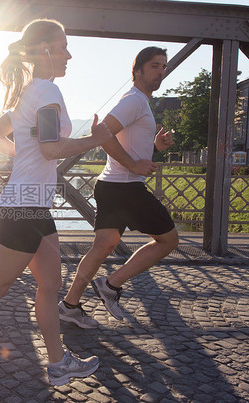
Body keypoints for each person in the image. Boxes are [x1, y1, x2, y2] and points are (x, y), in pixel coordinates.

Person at [0, 19, 155, 396]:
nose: (69, 54)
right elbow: (50, 149)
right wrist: (94, 139)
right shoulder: (46, 91)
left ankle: (58, 362)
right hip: (24, 209)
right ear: (45, 50)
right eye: (63, 46)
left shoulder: (26, 91)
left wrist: (23, 154)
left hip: (32, 207)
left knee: (50, 285)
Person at [58, 46, 178, 329]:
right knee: (169, 240)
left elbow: (127, 142)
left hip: (111, 185)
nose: (160, 71)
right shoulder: (134, 100)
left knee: (102, 248)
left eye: (163, 66)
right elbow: (101, 133)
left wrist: (154, 147)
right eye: (154, 66)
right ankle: (111, 285)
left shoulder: (140, 102)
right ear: (137, 71)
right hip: (125, 187)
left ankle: (69, 305)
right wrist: (133, 165)